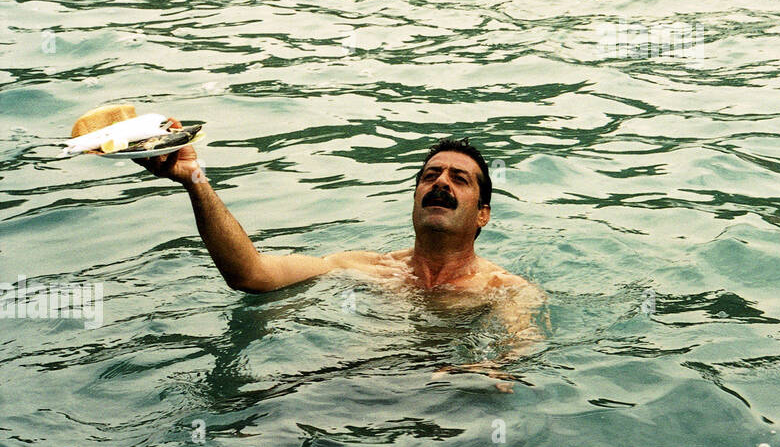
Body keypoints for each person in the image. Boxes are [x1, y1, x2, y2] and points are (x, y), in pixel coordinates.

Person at [141, 129, 544, 383]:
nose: (440, 183)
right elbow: (251, 274)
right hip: (344, 385)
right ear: (415, 197)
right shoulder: (360, 265)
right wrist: (195, 181)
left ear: (483, 214)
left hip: (443, 398)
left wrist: (482, 372)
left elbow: (515, 355)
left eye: (459, 179)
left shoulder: (504, 290)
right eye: (430, 176)